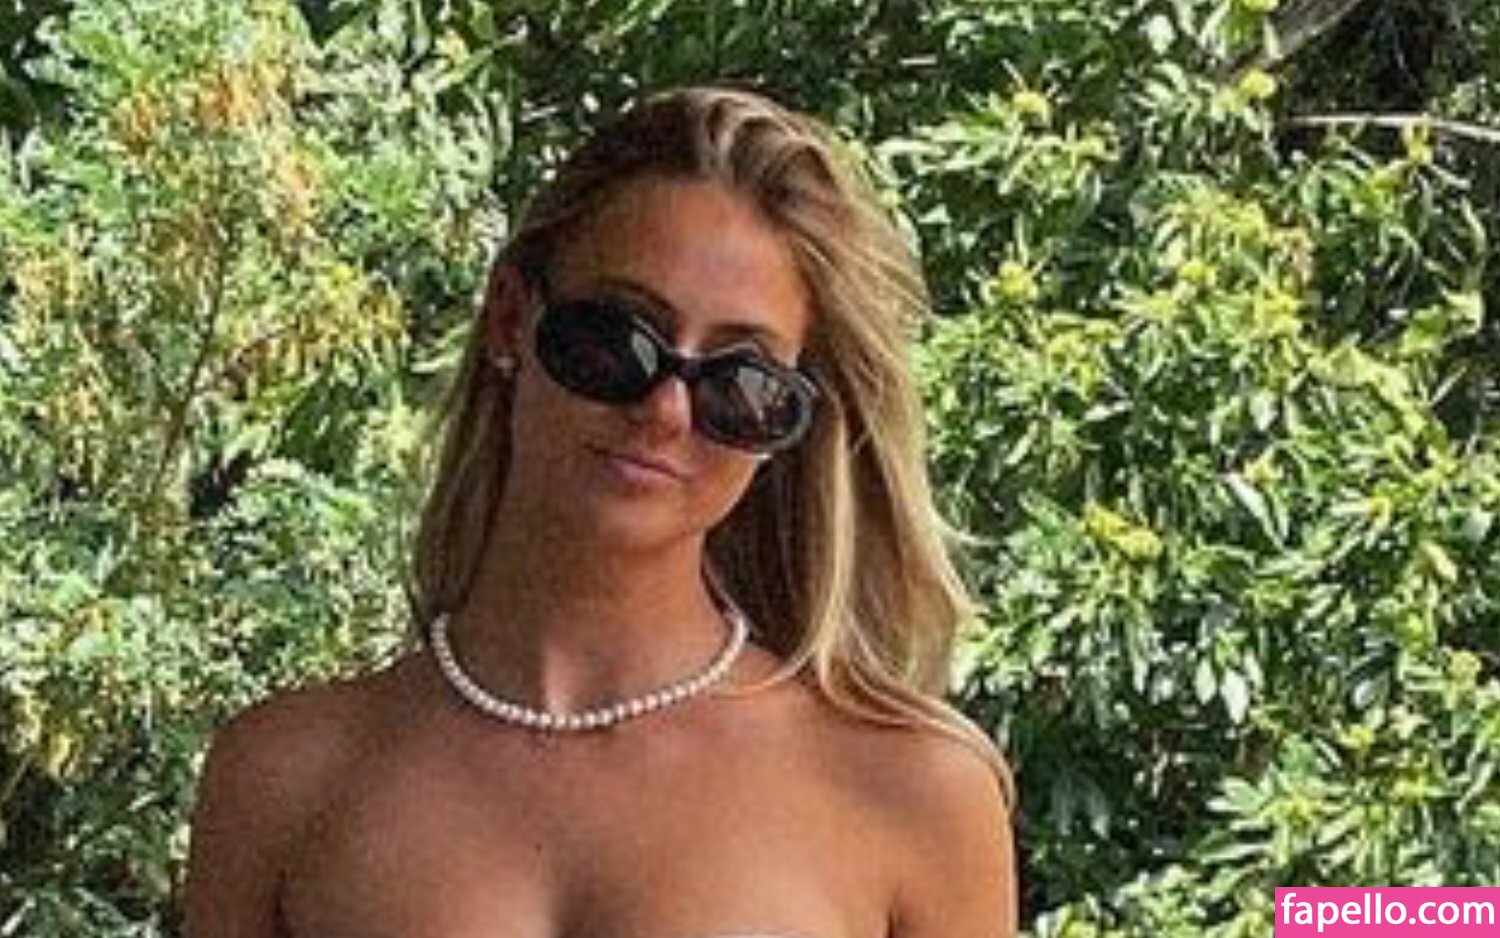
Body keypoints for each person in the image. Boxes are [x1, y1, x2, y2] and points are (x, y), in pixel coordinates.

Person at [182, 85, 1016, 938]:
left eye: (740, 381)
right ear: (510, 320)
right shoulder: (286, 777)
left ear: (787, 424)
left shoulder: (914, 794)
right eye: (618, 338)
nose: (666, 410)